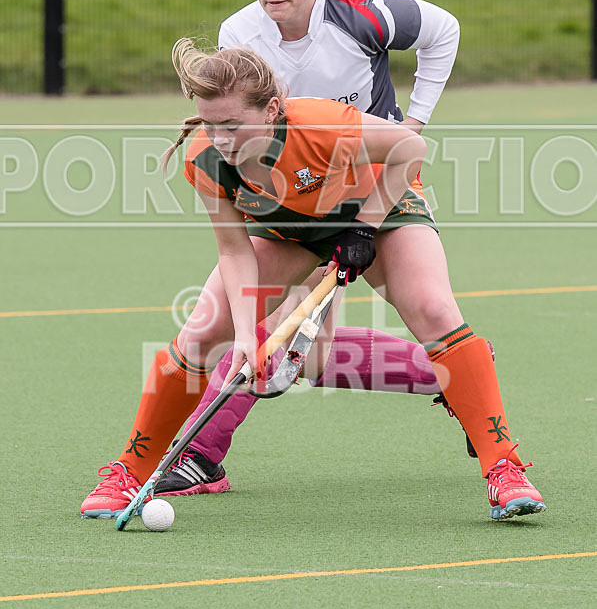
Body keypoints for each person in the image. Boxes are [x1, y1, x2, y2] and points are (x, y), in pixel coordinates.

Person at [81, 42, 546, 522]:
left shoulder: (321, 126)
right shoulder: (206, 159)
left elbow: (411, 149)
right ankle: (129, 473)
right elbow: (234, 250)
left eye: (233, 125)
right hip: (291, 231)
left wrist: (364, 228)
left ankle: (504, 470)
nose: (219, 138)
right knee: (202, 333)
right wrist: (244, 335)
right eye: (209, 123)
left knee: (434, 311)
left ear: (272, 110)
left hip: (380, 211)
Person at [151, 0, 469, 498]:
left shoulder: (364, 19)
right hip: (291, 192)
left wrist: (415, 123)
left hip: (377, 184)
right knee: (308, 353)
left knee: (279, 335)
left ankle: (200, 454)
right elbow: (264, 127)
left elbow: (444, 30)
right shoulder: (238, 33)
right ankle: (450, 375)